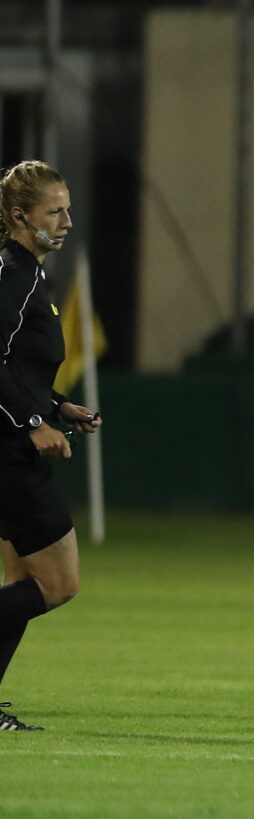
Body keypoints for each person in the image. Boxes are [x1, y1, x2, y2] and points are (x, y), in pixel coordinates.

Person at [0, 162, 103, 731]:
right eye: (54, 212)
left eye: (67, 208)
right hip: (10, 451)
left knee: (20, 583)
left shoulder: (27, 273)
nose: (67, 221)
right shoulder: (13, 275)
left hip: (13, 442)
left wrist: (56, 405)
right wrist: (33, 420)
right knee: (57, 585)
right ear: (20, 217)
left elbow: (17, 365)